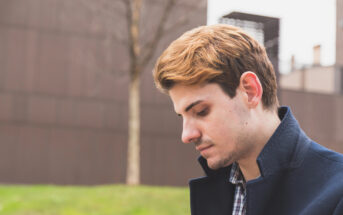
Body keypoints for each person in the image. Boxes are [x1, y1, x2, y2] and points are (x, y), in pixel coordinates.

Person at [152, 24, 343, 215]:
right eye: (182, 117)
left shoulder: (336, 193)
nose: (186, 135)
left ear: (250, 91)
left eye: (201, 111)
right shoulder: (220, 191)